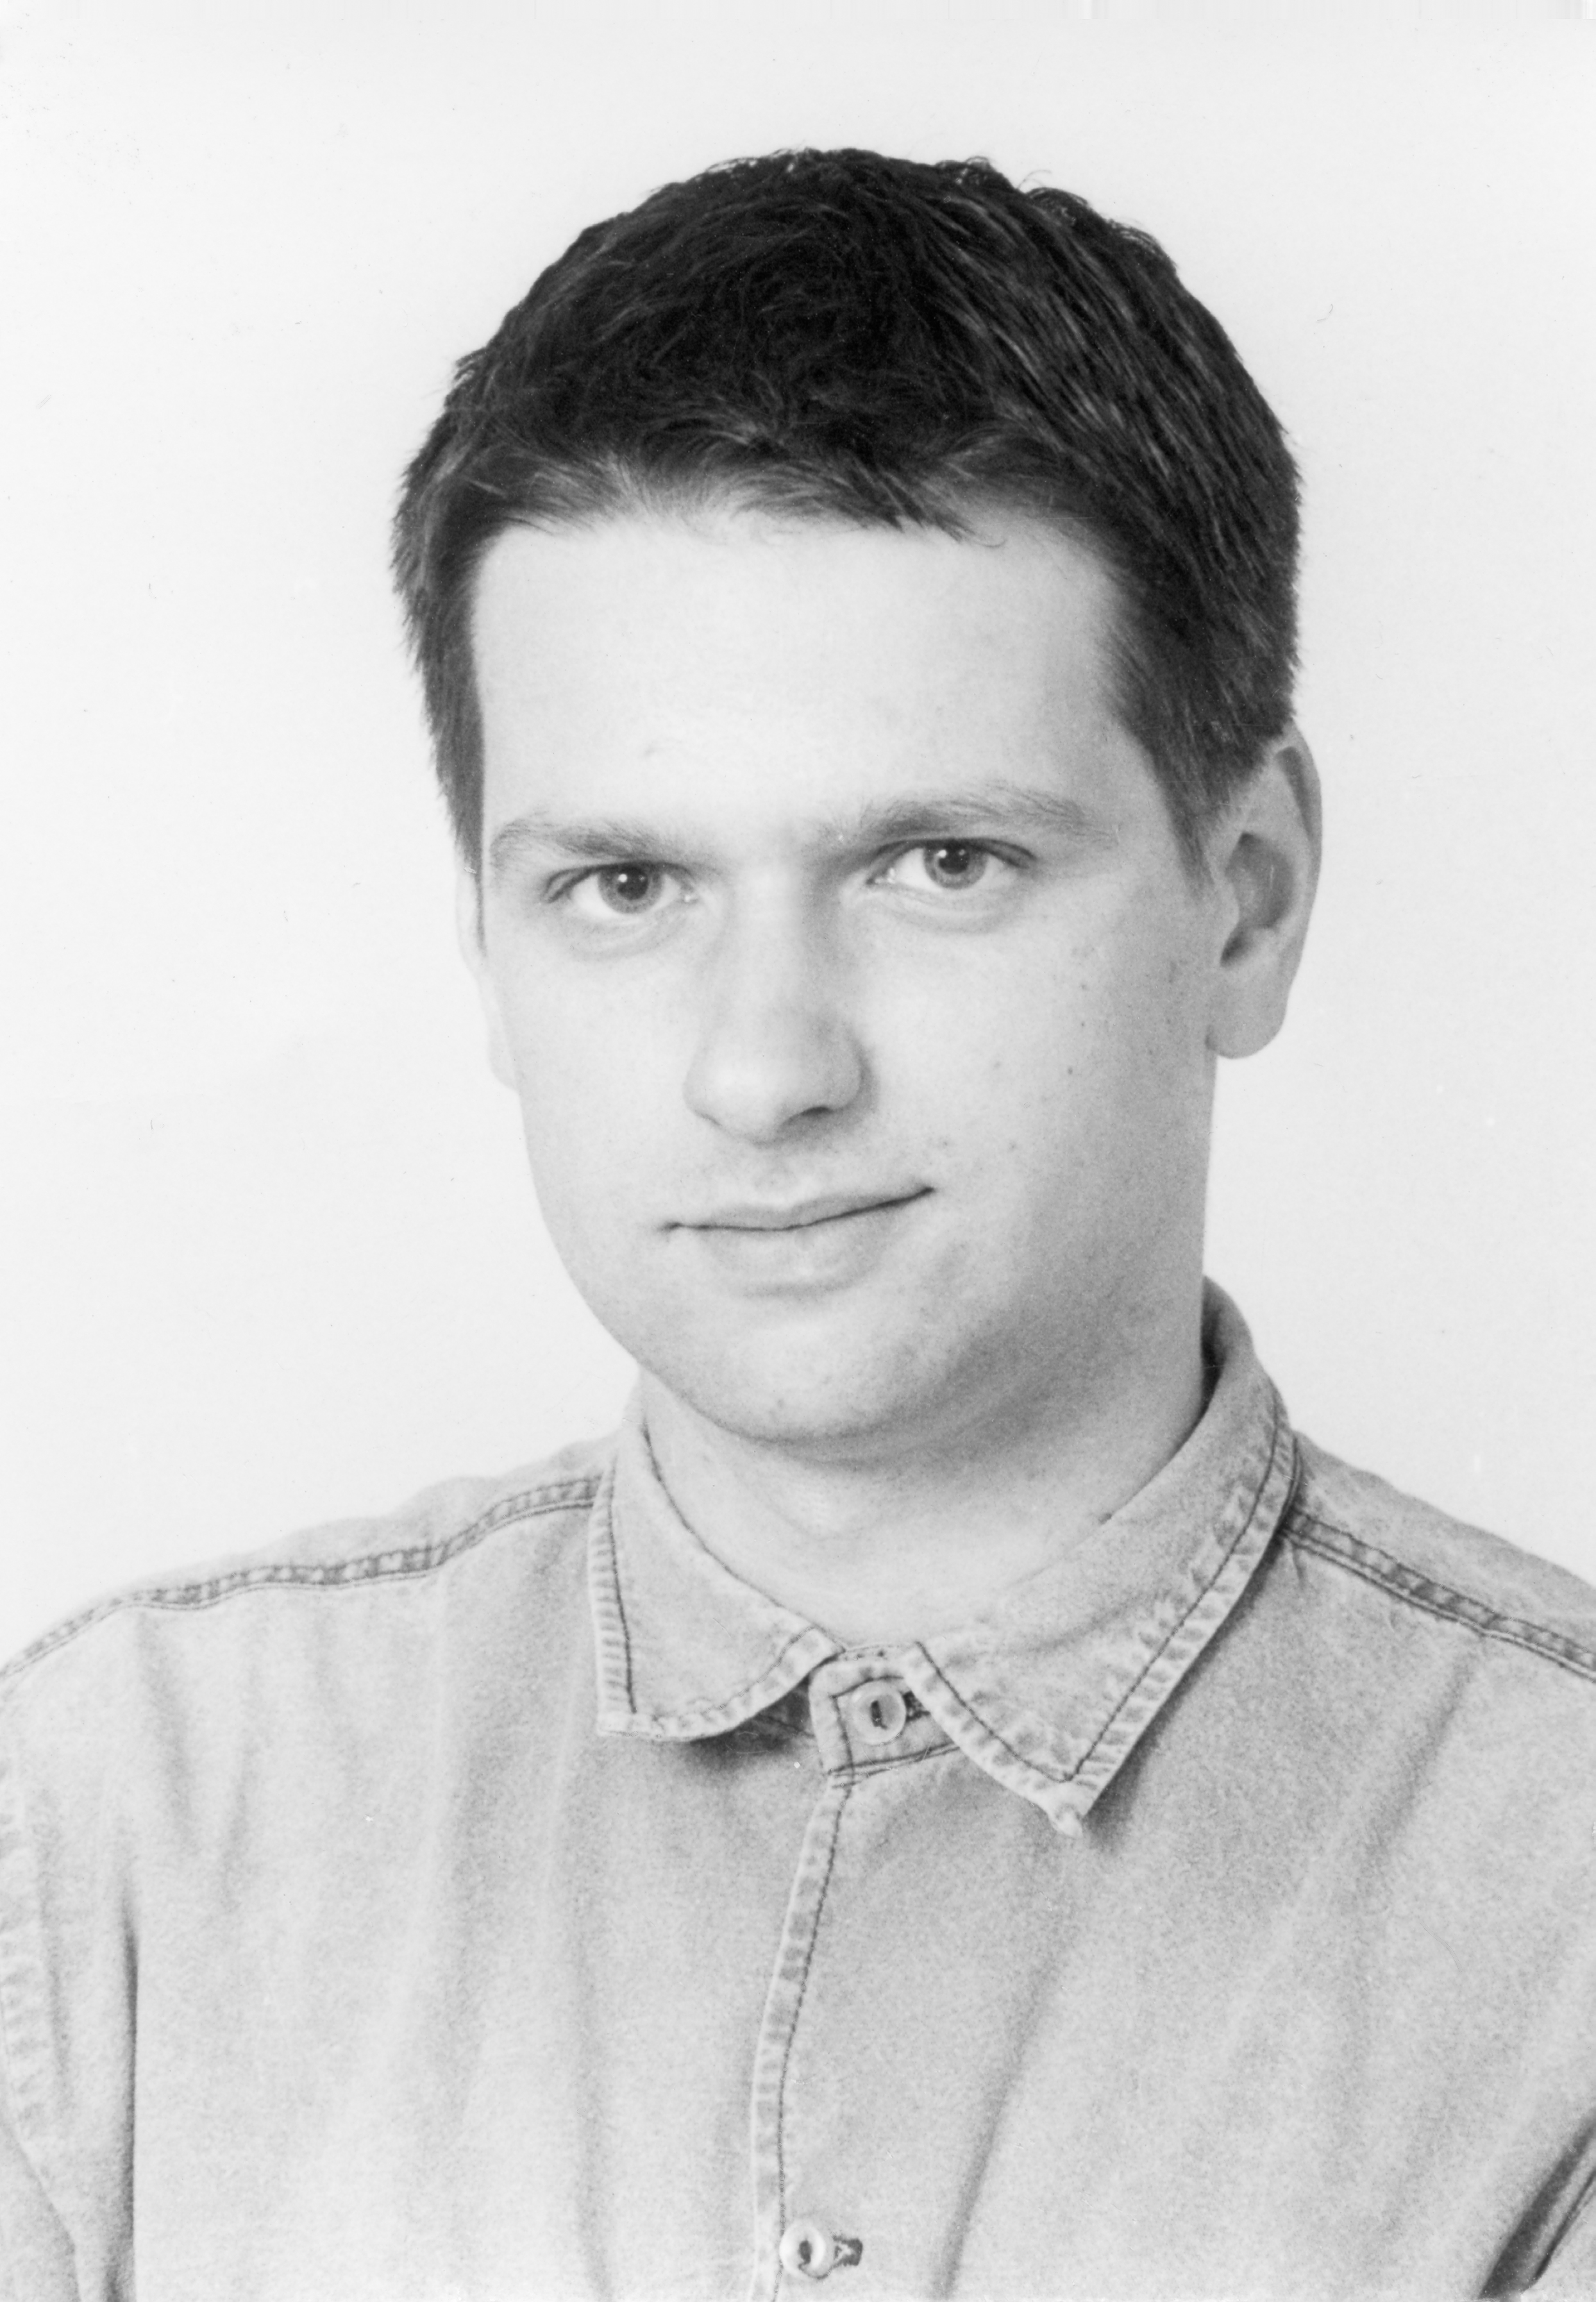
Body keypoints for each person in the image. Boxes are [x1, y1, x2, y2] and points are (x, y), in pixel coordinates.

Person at [1, 146, 1592, 2302]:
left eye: (939, 865)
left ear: (1245, 901)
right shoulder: (104, 1829)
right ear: (487, 948)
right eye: (624, 886)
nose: (765, 1070)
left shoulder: (1559, 1906)